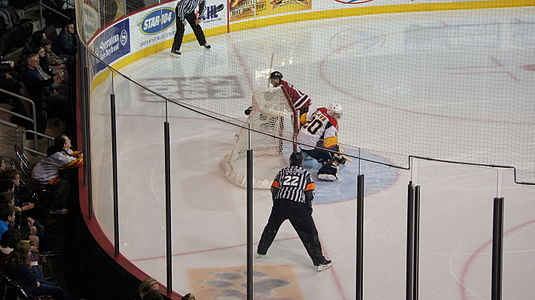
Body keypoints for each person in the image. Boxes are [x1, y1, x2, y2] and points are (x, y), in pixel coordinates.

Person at [256, 152, 332, 271]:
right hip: (298, 206)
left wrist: (276, 203)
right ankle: (319, 261)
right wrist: (308, 208)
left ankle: (261, 251)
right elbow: (309, 194)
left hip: (280, 203)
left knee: (270, 228)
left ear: (290, 161)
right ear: (301, 162)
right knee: (309, 233)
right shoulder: (306, 174)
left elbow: (274, 189)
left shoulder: (282, 172)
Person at [30, 134, 83, 215]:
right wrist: (83, 156)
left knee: (66, 176)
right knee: (65, 184)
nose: (70, 140)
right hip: (41, 177)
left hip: (42, 172)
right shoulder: (58, 156)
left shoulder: (61, 149)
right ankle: (55, 208)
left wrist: (79, 154)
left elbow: (72, 154)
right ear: (65, 144)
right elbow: (78, 162)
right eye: (68, 140)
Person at [296, 103, 348, 181]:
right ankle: (326, 172)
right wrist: (337, 152)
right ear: (330, 111)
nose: (336, 116)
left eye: (338, 114)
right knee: (330, 154)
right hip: (310, 147)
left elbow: (303, 118)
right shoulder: (332, 122)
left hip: (299, 139)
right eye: (335, 114)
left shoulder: (320, 110)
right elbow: (329, 144)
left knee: (316, 138)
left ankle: (304, 154)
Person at [245, 71, 312, 118]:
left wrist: (253, 108)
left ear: (276, 80)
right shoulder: (282, 84)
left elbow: (270, 101)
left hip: (301, 105)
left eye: (272, 80)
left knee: (299, 122)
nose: (271, 82)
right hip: (303, 102)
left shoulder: (280, 88)